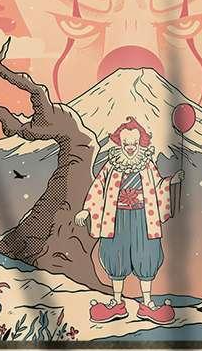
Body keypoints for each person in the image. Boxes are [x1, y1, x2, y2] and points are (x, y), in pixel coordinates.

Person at [74, 116, 183, 325]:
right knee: (116, 255)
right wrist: (87, 211)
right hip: (116, 218)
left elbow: (158, 186)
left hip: (143, 218)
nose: (130, 147)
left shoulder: (147, 164)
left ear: (140, 142)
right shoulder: (111, 166)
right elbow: (98, 189)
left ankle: (147, 303)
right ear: (120, 143)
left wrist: (172, 181)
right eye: (126, 143)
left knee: (146, 255)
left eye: (134, 143)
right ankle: (117, 302)